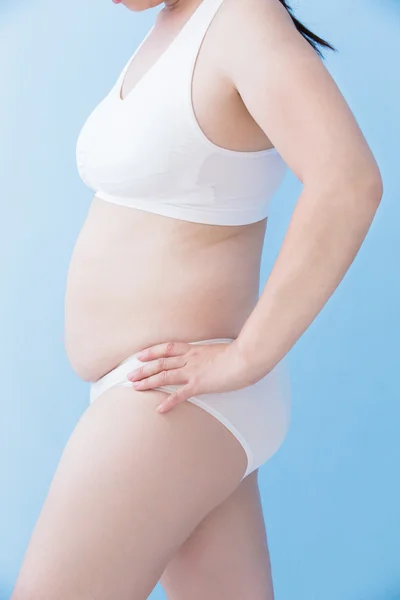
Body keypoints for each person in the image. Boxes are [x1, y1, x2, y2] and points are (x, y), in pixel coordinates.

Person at [11, 0, 383, 598]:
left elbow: (349, 181)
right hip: (177, 403)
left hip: (174, 398)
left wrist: (247, 357)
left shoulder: (242, 16)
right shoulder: (169, 28)